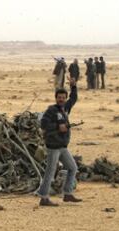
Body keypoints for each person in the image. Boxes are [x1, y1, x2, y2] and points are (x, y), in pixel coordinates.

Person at [37, 77, 82, 206]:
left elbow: (73, 99)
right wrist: (57, 127)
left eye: (63, 97)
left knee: (73, 168)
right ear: (56, 98)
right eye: (59, 97)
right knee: (50, 172)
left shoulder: (65, 109)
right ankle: (43, 197)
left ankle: (67, 194)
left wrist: (73, 87)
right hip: (53, 146)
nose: (61, 99)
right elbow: (43, 124)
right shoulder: (52, 110)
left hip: (62, 146)